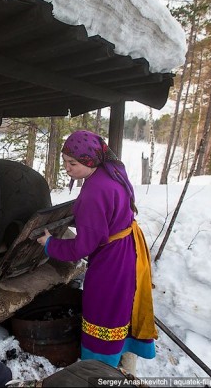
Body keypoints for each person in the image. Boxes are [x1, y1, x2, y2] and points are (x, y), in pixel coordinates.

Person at [36, 130, 158, 376]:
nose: (67, 168)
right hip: (128, 251)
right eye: (65, 162)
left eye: (73, 163)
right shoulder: (112, 171)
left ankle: (99, 370)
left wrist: (49, 243)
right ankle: (125, 358)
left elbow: (83, 247)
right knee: (122, 304)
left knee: (103, 311)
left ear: (90, 161)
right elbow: (106, 216)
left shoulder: (94, 192)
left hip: (110, 262)